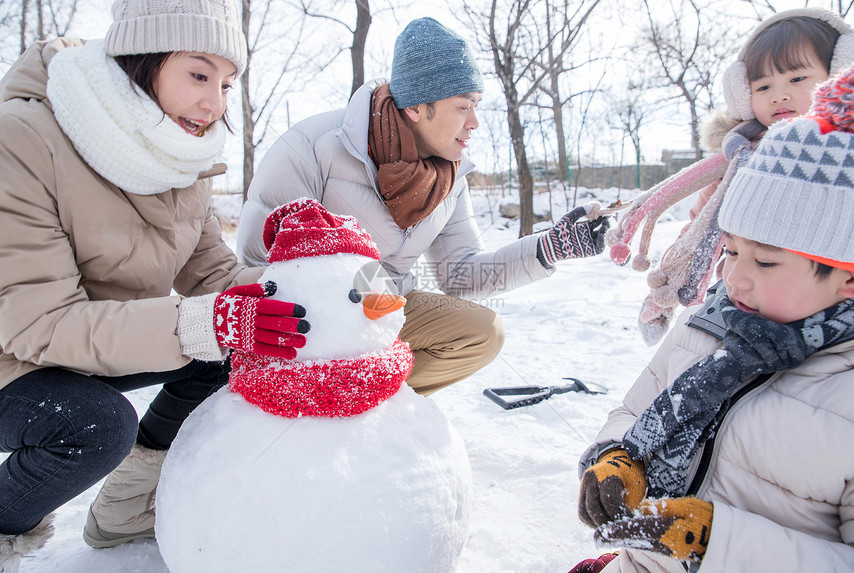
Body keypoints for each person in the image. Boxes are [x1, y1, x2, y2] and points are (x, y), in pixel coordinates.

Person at [0, 0, 310, 566]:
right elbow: (38, 321)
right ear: (141, 60)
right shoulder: (21, 139)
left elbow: (214, 275)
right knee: (93, 426)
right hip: (13, 352)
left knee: (232, 350)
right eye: (198, 75)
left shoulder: (178, 158)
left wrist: (311, 278)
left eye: (227, 83)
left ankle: (123, 508)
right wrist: (206, 321)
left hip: (90, 344)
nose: (214, 104)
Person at [571, 59, 854, 572]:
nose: (735, 279)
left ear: (849, 277)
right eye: (729, 251)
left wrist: (712, 540)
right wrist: (615, 457)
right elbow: (635, 408)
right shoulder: (706, 325)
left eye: (766, 261)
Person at [236, 17, 610, 395]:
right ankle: (318, 398)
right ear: (416, 106)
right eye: (463, 107)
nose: (475, 122)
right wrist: (354, 297)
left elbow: (461, 274)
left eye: (476, 106)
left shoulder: (451, 176)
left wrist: (549, 248)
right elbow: (260, 261)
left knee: (483, 332)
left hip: (387, 309)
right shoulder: (312, 147)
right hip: (307, 318)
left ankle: (374, 399)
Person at [606, 8, 854, 346]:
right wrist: (675, 276)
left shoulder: (849, 161)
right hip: (741, 296)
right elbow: (699, 226)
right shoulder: (737, 157)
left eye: (797, 79)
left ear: (841, 73)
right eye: (763, 85)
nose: (778, 95)